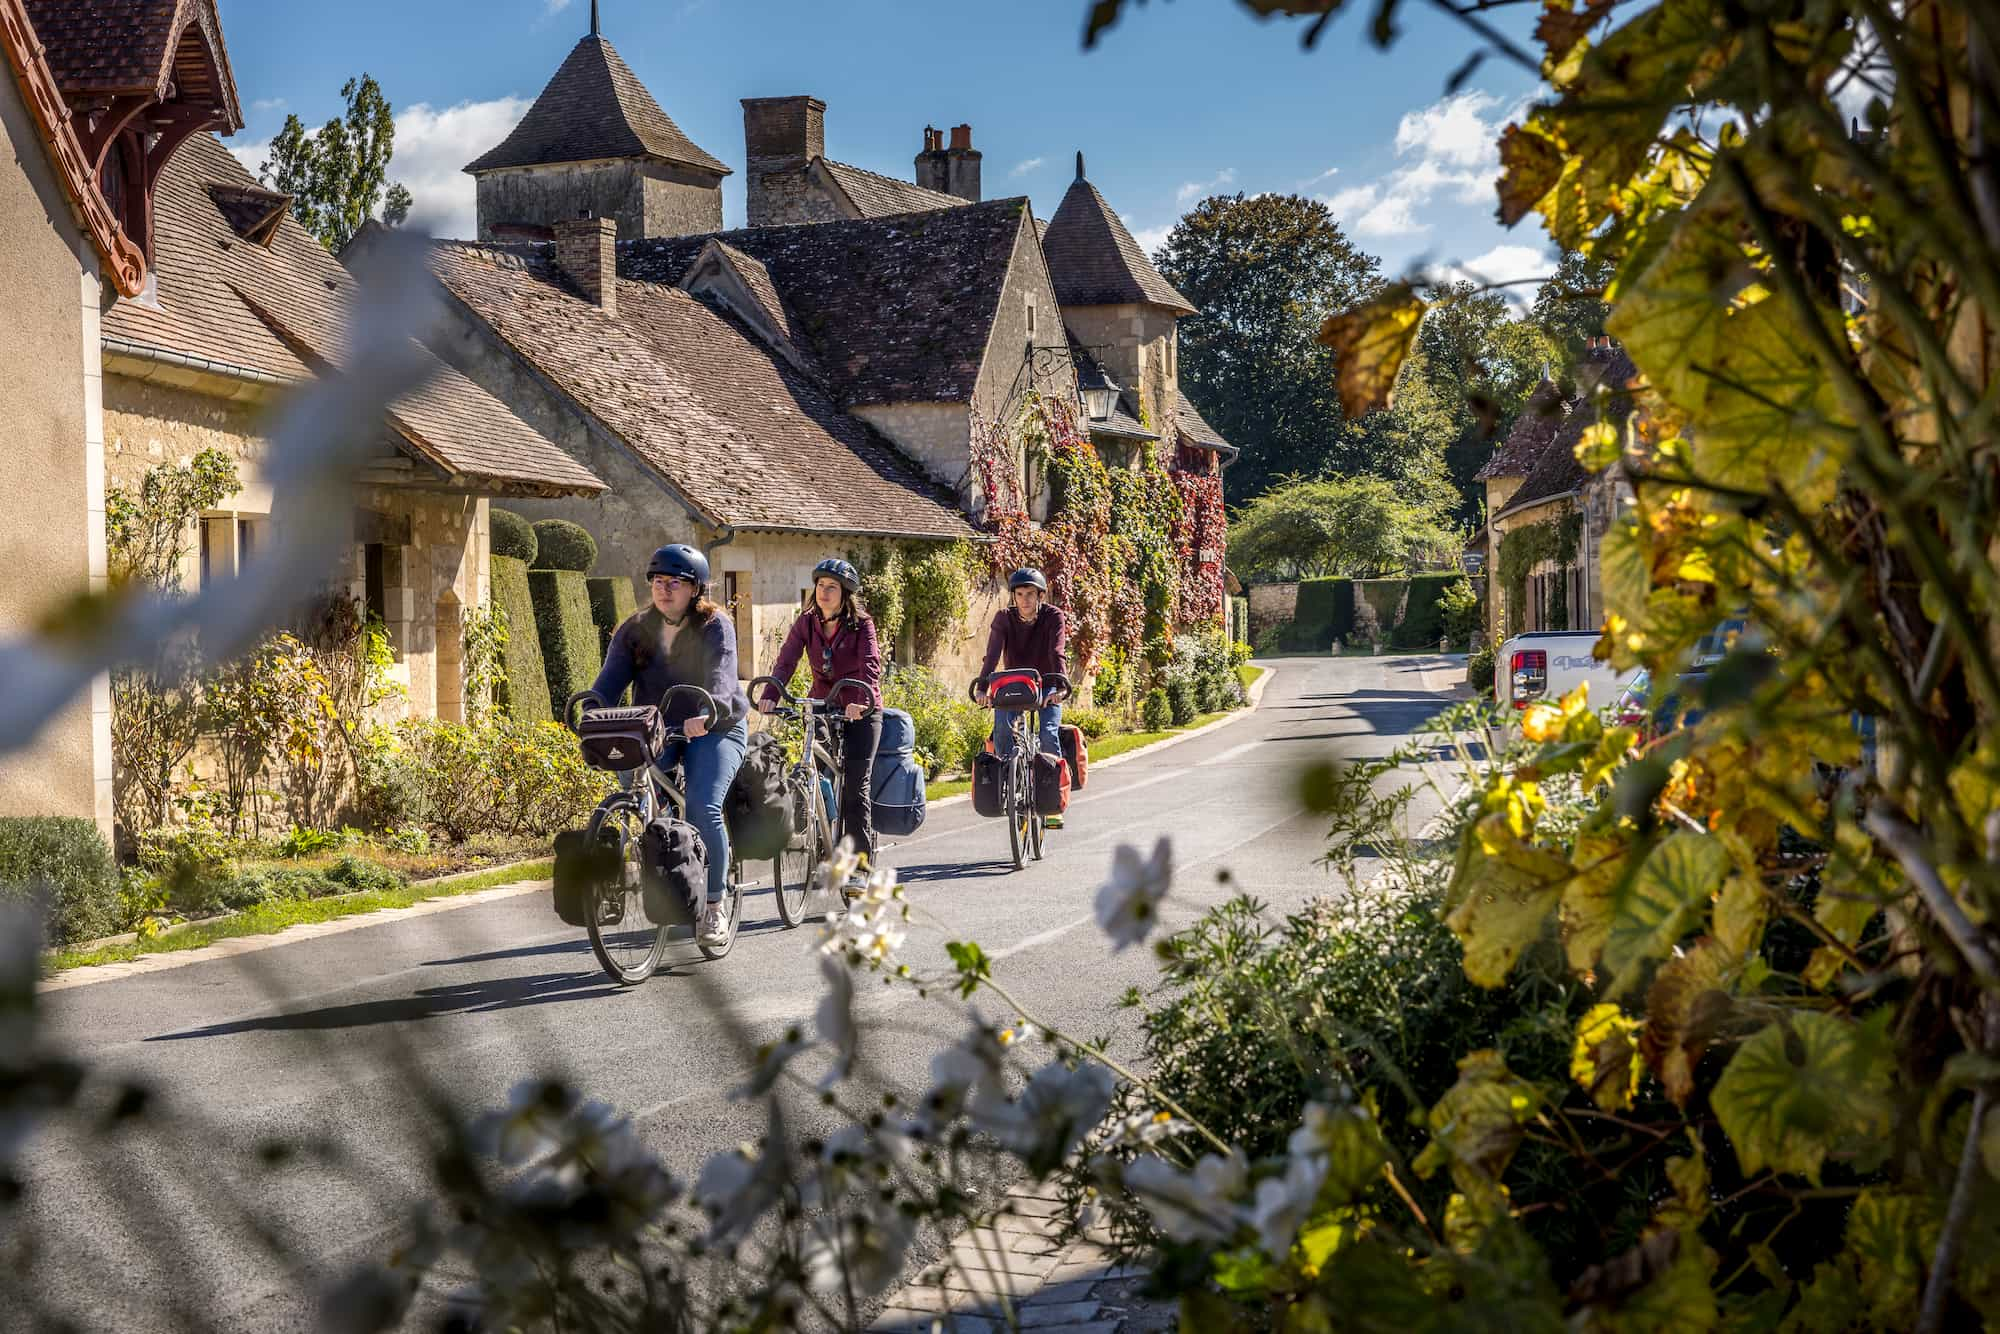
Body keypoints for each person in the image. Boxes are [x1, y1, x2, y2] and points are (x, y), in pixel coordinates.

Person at [589, 543, 749, 946]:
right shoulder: (635, 629)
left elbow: (722, 678)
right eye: (658, 581)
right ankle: (653, 864)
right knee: (634, 786)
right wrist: (591, 710)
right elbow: (609, 682)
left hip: (715, 726)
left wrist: (709, 711)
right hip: (658, 728)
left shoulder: (715, 626)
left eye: (674, 583)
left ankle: (714, 907)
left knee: (701, 805)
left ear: (695, 588)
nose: (664, 589)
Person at [757, 558, 882, 884]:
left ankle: (858, 869)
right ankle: (825, 842)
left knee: (856, 786)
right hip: (823, 705)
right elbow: (786, 660)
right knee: (812, 773)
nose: (824, 592)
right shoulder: (806, 623)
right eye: (821, 586)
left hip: (862, 709)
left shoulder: (862, 625)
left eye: (832, 587)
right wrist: (771, 693)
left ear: (845, 594)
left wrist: (861, 700)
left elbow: (870, 665)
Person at [975, 567, 1068, 828]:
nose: (1025, 599)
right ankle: (1012, 792)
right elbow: (992, 655)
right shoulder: (1004, 618)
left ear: (1040, 595)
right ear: (1013, 596)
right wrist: (983, 688)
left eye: (1030, 594)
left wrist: (1060, 686)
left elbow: (1056, 651)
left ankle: (1051, 803)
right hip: (1014, 684)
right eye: (1019, 594)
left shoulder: (1053, 616)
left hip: (1047, 684)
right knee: (1003, 734)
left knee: (1049, 734)